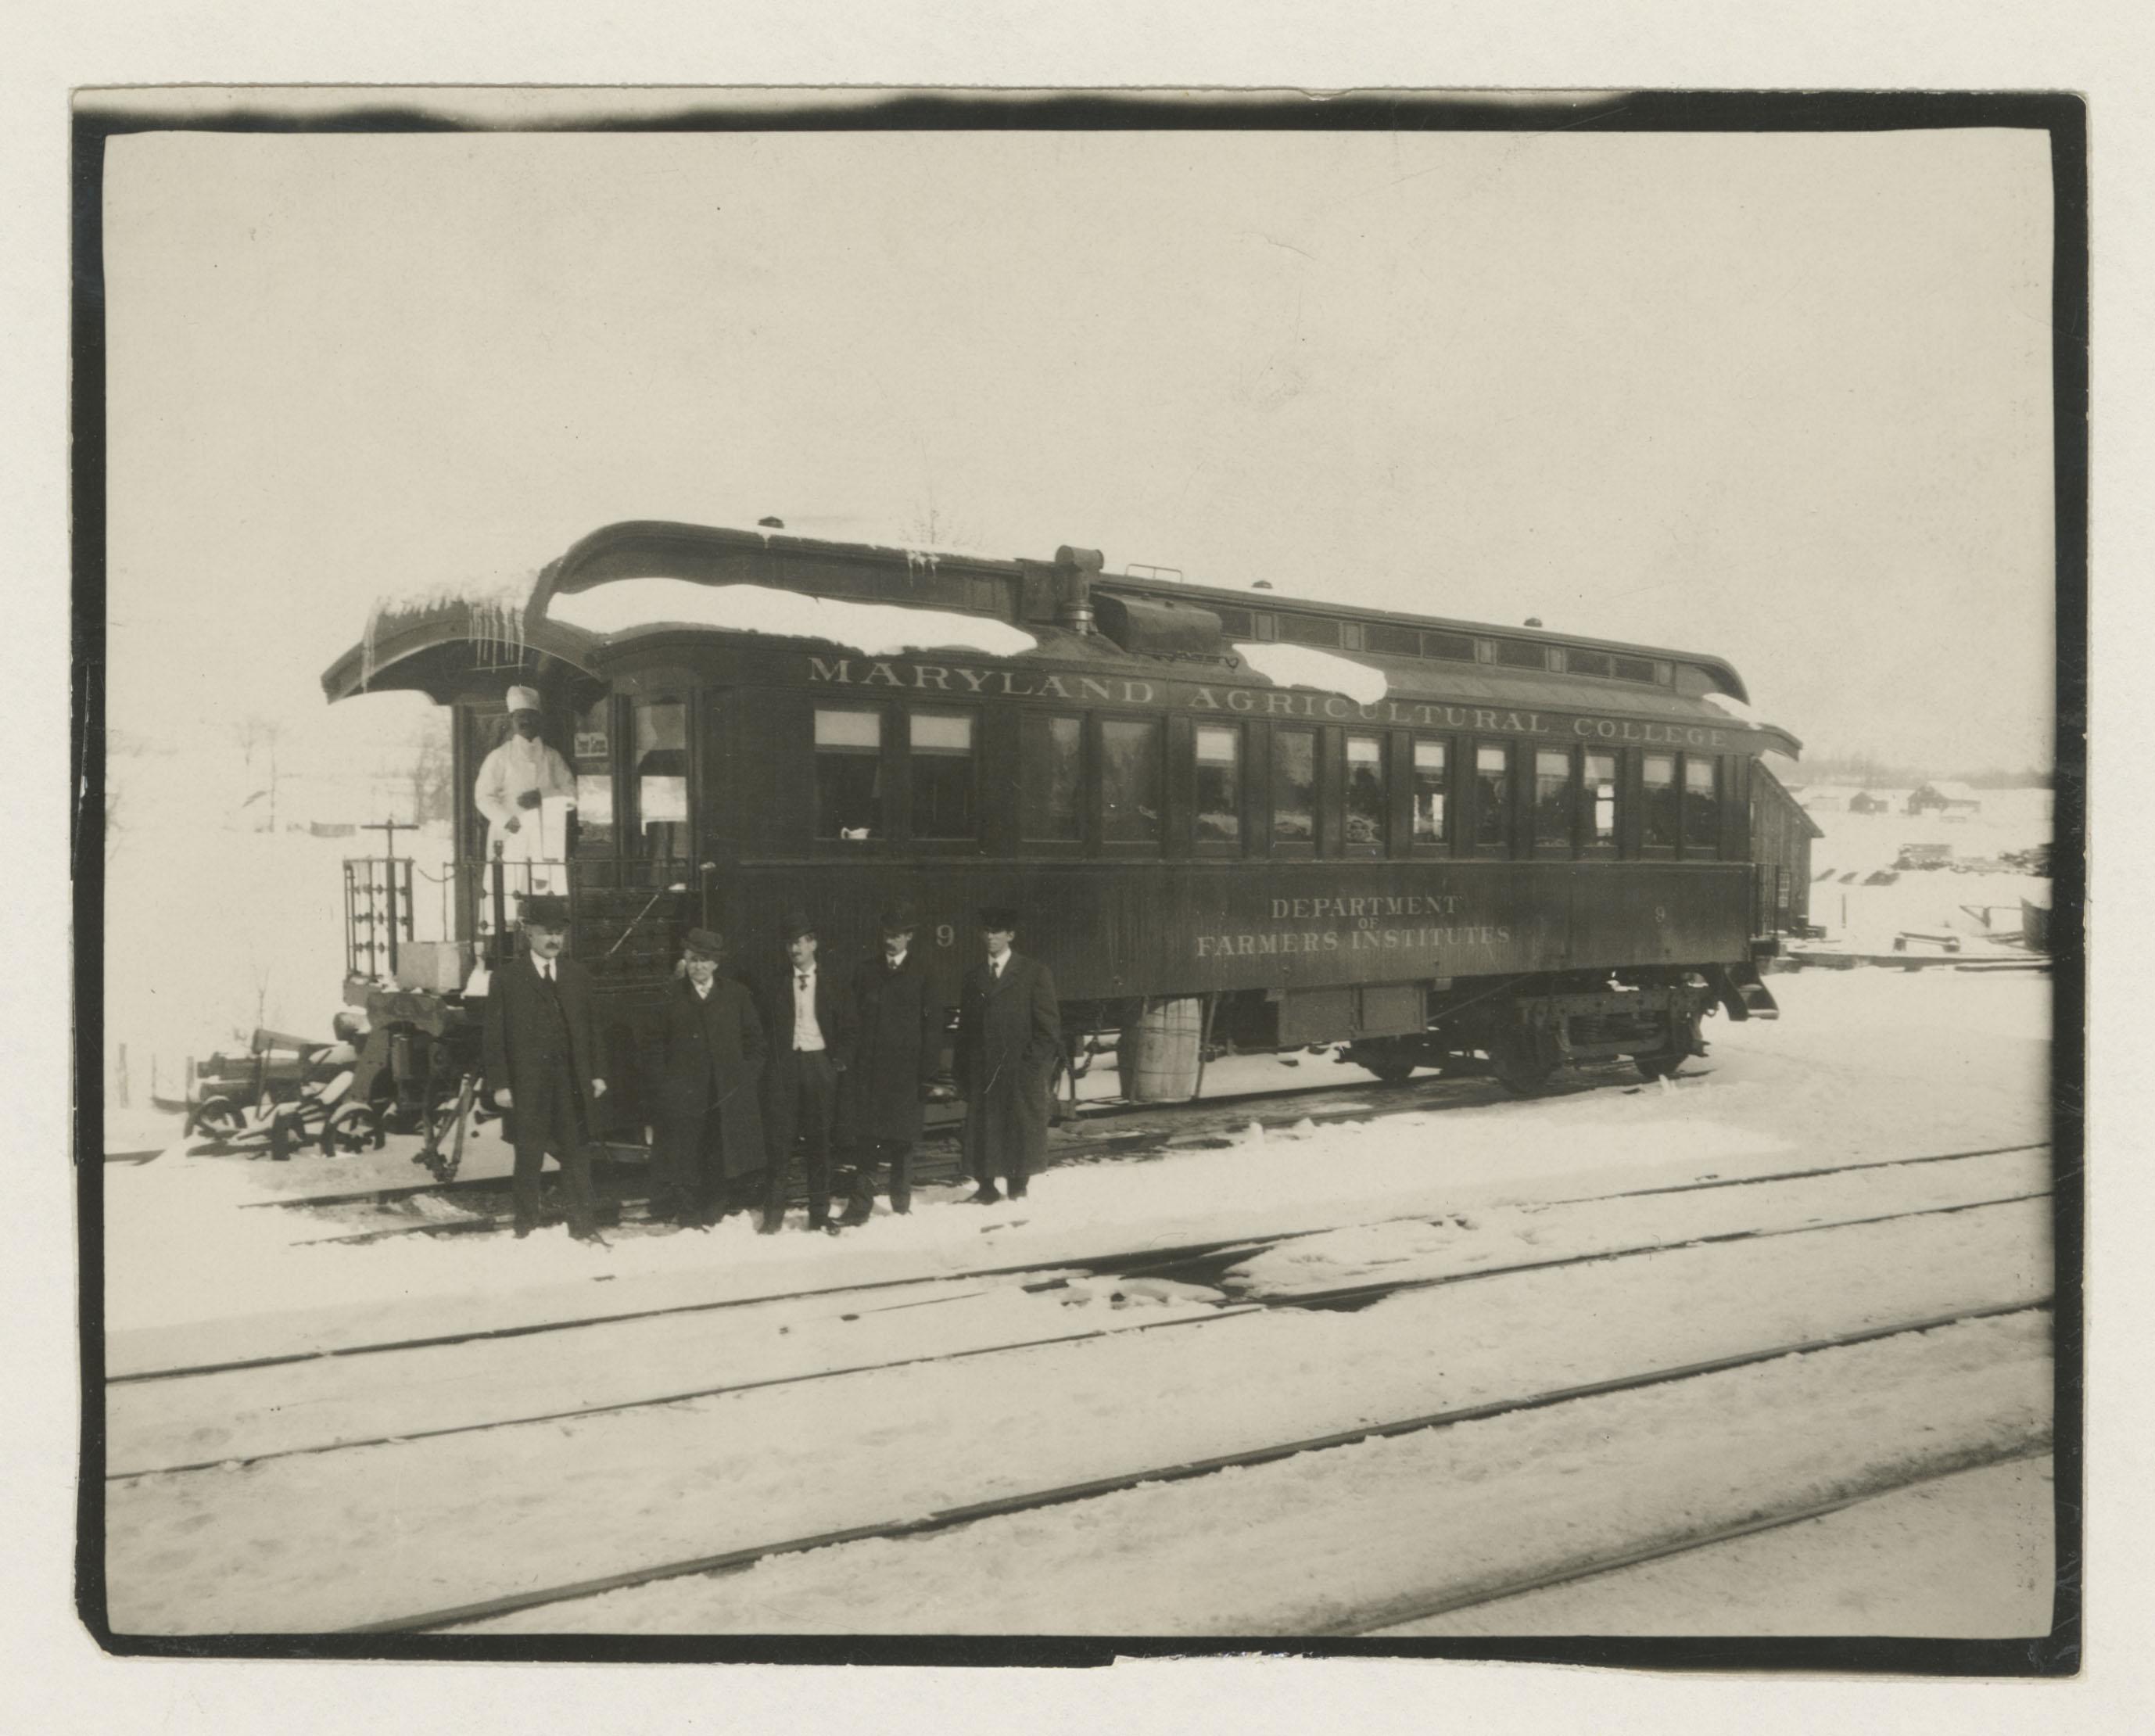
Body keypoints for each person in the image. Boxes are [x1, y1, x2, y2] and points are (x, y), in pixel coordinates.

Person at [481, 894, 608, 1242]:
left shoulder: (577, 975)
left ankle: (583, 1228)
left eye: (559, 933)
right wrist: (501, 1084)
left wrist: (597, 1073)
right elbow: (495, 1036)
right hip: (529, 1086)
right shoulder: (508, 978)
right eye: (546, 933)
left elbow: (592, 1028)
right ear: (528, 935)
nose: (554, 940)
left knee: (577, 1158)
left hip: (571, 1085)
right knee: (529, 1159)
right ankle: (526, 1229)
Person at [836, 899, 943, 1224]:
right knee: (866, 1143)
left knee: (902, 1144)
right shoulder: (866, 971)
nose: (891, 940)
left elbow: (932, 1028)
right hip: (870, 1074)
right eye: (887, 934)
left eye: (897, 935)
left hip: (906, 1075)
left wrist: (927, 1074)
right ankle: (860, 1207)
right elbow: (852, 1022)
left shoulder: (925, 972)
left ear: (909, 937)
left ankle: (900, 1204)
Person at [652, 927, 767, 1228]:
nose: (698, 967)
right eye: (692, 960)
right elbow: (654, 1045)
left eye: (704, 960)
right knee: (686, 1152)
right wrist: (667, 1085)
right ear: (685, 961)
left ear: (716, 964)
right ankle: (688, 1212)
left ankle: (715, 1208)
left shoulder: (736, 995)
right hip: (685, 1094)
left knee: (720, 1151)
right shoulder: (671, 995)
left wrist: (744, 1080)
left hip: (724, 1093)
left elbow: (756, 1043)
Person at [954, 906, 1060, 1204]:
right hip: (984, 1069)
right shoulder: (973, 977)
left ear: (1010, 935)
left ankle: (1018, 1189)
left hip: (1017, 1070)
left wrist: (1030, 1065)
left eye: (997, 932)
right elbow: (965, 1029)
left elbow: (1048, 1028)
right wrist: (962, 1069)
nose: (991, 937)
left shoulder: (1033, 973)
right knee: (982, 1127)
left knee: (1019, 1127)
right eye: (987, 931)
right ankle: (986, 1187)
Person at [758, 909, 855, 1234]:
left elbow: (850, 1026)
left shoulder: (834, 981)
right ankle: (772, 1219)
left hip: (819, 1067)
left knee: (820, 1144)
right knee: (779, 1145)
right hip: (785, 1069)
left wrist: (836, 1061)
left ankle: (818, 1215)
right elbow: (764, 1029)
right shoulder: (775, 983)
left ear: (813, 944)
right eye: (790, 944)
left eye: (800, 943)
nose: (795, 950)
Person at [474, 685, 576, 885]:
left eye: (530, 716)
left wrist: (544, 797)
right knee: (509, 892)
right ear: (512, 720)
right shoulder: (499, 757)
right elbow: (483, 797)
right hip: (511, 834)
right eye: (520, 716)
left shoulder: (552, 757)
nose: (525, 721)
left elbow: (572, 795)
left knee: (543, 893)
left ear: (539, 720)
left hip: (546, 835)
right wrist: (506, 820)